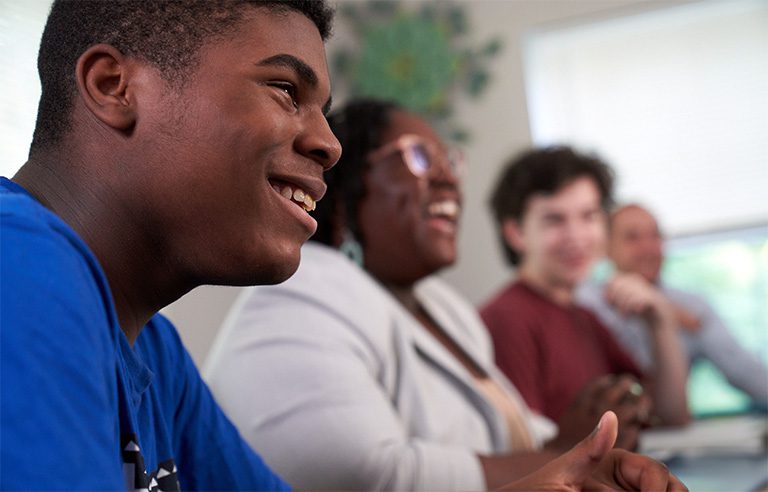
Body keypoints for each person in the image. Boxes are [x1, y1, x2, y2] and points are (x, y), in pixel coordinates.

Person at [204, 100, 686, 491]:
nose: (448, 178)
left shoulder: (446, 308)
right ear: (348, 198)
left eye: (449, 161)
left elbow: (517, 435)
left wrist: (599, 452)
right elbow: (364, 476)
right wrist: (562, 454)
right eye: (416, 157)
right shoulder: (300, 292)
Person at [0, 1, 341, 489]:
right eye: (286, 90)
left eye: (323, 113)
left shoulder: (155, 354)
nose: (330, 145)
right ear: (114, 87)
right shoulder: (16, 266)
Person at [481, 147, 690, 431]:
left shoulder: (584, 318)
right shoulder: (507, 320)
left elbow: (669, 416)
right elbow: (522, 453)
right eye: (554, 220)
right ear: (516, 233)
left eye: (588, 216)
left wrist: (660, 322)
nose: (576, 236)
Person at [577, 203, 768, 405]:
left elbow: (747, 373)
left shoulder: (694, 309)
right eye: (632, 237)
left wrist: (663, 308)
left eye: (655, 236)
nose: (648, 248)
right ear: (606, 247)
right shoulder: (585, 304)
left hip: (670, 428)